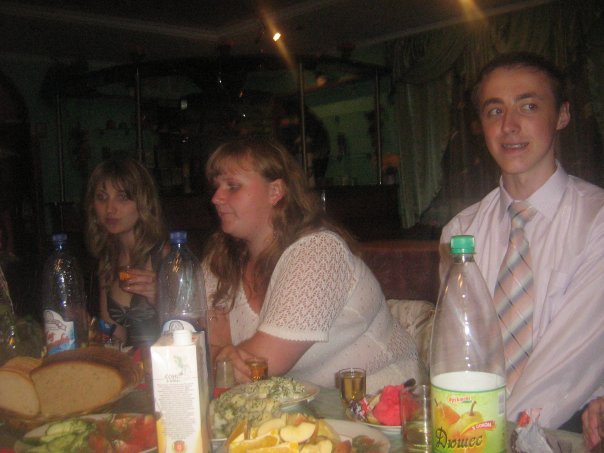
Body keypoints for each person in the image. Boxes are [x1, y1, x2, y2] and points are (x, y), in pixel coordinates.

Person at [439, 52, 604, 430]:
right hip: (474, 428)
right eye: (494, 111)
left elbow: (570, 361)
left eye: (528, 106)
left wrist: (491, 435)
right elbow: (460, 353)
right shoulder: (459, 233)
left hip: (561, 424)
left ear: (562, 115)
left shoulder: (596, 222)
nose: (509, 126)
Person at [203, 137, 424, 393]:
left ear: (275, 192)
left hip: (388, 402)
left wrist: (218, 358)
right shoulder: (219, 261)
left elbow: (262, 365)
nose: (216, 198)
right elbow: (200, 349)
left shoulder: (319, 252)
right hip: (299, 408)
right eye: (216, 186)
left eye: (232, 186)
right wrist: (218, 356)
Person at [85, 158, 168, 348]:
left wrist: (159, 300)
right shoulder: (108, 258)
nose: (110, 209)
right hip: (131, 362)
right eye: (102, 197)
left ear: (143, 202)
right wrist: (89, 327)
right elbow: (114, 337)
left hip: (169, 361)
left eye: (122, 197)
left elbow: (192, 327)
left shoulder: (165, 254)